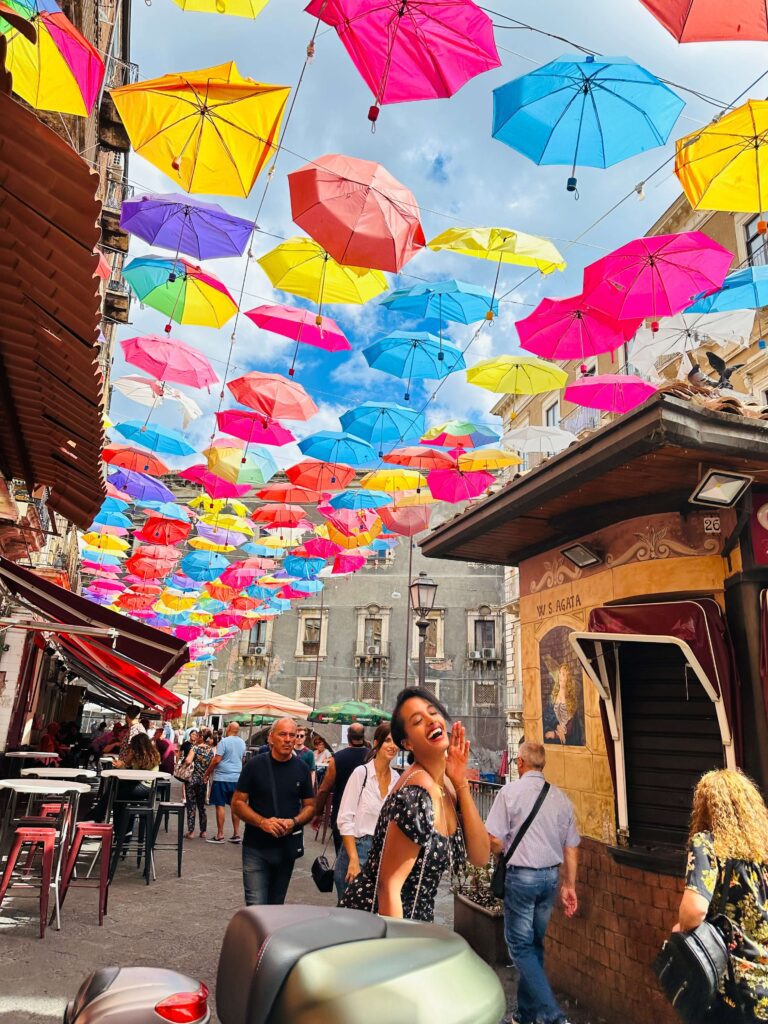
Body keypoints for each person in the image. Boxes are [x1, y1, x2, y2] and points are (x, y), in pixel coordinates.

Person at [340, 687, 489, 922]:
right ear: (407, 743)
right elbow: (389, 886)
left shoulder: (447, 786)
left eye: (433, 712)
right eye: (418, 721)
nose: (430, 720)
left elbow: (480, 856)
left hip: (416, 923)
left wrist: (460, 782)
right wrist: (401, 954)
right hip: (379, 923)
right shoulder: (415, 794)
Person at [486, 741, 579, 1024]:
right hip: (549, 878)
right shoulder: (561, 799)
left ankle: (553, 1015)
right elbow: (571, 847)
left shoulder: (509, 793)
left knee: (519, 946)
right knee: (534, 945)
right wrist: (569, 885)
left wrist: (499, 851)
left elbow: (494, 840)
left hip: (522, 878)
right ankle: (526, 1015)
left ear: (521, 763)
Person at [674, 768, 768, 1023]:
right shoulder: (763, 850)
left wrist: (680, 926)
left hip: (733, 992)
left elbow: (694, 911)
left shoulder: (707, 844)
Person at [232, 717, 315, 906]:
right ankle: (257, 936)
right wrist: (263, 822)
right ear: (271, 738)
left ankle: (268, 937)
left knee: (276, 906)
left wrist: (294, 822)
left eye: (292, 735)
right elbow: (237, 803)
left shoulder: (301, 768)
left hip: (286, 849)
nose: (287, 739)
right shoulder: (254, 766)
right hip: (256, 847)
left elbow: (311, 806)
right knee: (256, 907)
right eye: (282, 734)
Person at [335, 722, 398, 899]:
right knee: (351, 914)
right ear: (377, 742)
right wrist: (353, 860)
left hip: (383, 852)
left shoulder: (396, 779)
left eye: (396, 742)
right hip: (357, 848)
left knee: (373, 914)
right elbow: (344, 819)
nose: (392, 746)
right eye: (387, 740)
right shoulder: (361, 773)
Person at [314, 722, 369, 852]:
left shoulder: (337, 758)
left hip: (342, 813)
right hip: (366, 814)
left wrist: (318, 812)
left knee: (342, 855)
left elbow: (324, 789)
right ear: (363, 736)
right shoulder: (372, 757)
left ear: (348, 737)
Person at [204, 722, 246, 844]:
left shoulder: (224, 742)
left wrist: (207, 773)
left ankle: (220, 834)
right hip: (237, 778)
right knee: (235, 806)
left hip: (222, 778)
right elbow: (242, 759)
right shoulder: (242, 742)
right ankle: (236, 834)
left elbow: (217, 760)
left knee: (220, 805)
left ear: (228, 729)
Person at [184, 733, 215, 839]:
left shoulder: (195, 748)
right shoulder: (210, 750)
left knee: (191, 805)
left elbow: (188, 760)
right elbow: (212, 765)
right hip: (203, 781)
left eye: (197, 736)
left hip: (192, 780)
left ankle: (191, 832)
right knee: (201, 806)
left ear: (200, 737)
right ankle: (203, 831)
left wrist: (186, 763)